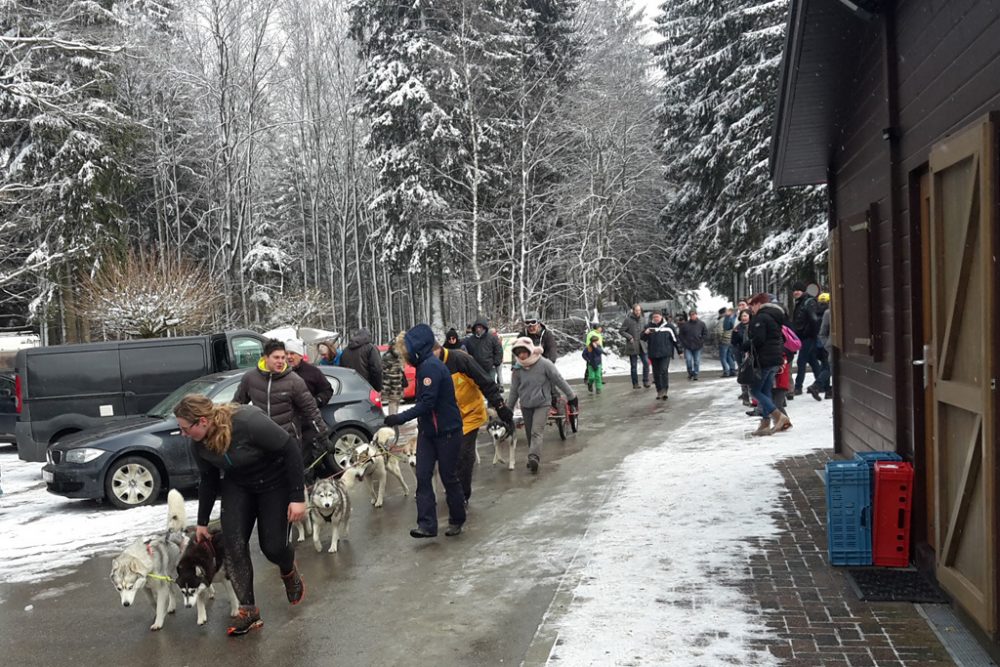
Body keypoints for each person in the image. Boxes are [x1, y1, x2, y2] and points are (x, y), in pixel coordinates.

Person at [174, 395, 306, 636]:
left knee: (273, 547)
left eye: (184, 428)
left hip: (274, 483)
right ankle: (249, 611)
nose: (182, 433)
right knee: (233, 546)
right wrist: (202, 522)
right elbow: (209, 480)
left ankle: (288, 569)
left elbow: (290, 449)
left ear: (202, 421)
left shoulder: (247, 422)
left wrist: (297, 497)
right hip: (239, 486)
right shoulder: (198, 444)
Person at [383, 324, 466, 538]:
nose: (405, 356)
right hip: (428, 433)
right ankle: (427, 525)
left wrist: (398, 418)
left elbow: (427, 403)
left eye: (406, 351)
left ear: (416, 348)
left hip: (448, 432)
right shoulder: (423, 366)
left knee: (448, 477)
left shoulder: (431, 368)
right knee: (422, 476)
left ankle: (457, 519)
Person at [433, 342, 513, 506]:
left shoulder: (460, 359)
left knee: (464, 452)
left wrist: (499, 405)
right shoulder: (428, 367)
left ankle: (462, 495)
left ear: (438, 349)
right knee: (448, 457)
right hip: (448, 418)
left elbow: (485, 382)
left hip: (470, 414)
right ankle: (454, 489)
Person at [234, 339, 329, 442]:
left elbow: (311, 410)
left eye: (283, 358)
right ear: (265, 358)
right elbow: (236, 405)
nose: (280, 361)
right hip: (260, 438)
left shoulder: (294, 380)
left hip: (287, 439)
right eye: (276, 357)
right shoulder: (250, 378)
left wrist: (323, 436)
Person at [506, 337, 578, 473]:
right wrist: (508, 410)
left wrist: (571, 396)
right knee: (529, 433)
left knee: (536, 432)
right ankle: (533, 454)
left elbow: (558, 379)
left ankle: (534, 457)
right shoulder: (517, 369)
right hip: (526, 405)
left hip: (542, 404)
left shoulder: (544, 364)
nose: (521, 355)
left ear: (530, 350)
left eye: (524, 351)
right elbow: (514, 391)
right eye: (518, 352)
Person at [284, 339, 337, 476]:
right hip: (287, 426)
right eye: (287, 353)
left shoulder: (312, 372)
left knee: (305, 465)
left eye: (293, 353)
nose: (289, 357)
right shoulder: (280, 373)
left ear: (300, 355)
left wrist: (316, 401)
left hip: (308, 426)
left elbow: (327, 390)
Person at [744, 293, 791, 436]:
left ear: (759, 304)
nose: (750, 308)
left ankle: (778, 417)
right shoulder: (774, 317)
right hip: (774, 358)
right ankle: (765, 424)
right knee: (765, 391)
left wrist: (744, 345)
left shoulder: (761, 318)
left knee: (755, 390)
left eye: (752, 305)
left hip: (764, 359)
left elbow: (758, 339)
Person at [791, 281, 823, 396]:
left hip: (808, 337)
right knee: (813, 361)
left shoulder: (808, 302)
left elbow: (814, 320)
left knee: (801, 361)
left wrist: (810, 333)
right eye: (794, 290)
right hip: (803, 337)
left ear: (803, 291)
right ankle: (821, 384)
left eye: (798, 290)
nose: (796, 292)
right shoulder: (800, 302)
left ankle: (798, 387)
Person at [642, 311, 681, 400]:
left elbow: (675, 339)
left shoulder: (669, 327)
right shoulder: (648, 326)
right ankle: (659, 390)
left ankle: (665, 390)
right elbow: (642, 338)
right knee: (656, 373)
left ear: (661, 317)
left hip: (665, 353)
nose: (656, 318)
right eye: (654, 317)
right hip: (653, 353)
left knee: (663, 370)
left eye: (657, 317)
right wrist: (645, 333)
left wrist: (680, 351)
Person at [340, 328, 383, 392]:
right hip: (366, 387)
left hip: (348, 388)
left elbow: (342, 369)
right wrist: (377, 388)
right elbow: (377, 369)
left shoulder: (345, 350)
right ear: (368, 336)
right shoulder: (371, 348)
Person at [620, 304, 651, 389]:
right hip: (633, 345)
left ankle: (646, 381)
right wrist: (629, 337)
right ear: (633, 311)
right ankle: (635, 383)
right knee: (634, 366)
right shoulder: (628, 320)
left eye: (639, 310)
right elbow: (621, 331)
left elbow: (645, 330)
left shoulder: (643, 319)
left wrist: (647, 333)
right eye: (636, 310)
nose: (638, 312)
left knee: (646, 363)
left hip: (642, 345)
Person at [813, 292, 834, 399]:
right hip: (827, 346)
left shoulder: (816, 312)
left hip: (820, 345)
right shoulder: (828, 313)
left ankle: (827, 390)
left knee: (826, 367)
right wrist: (828, 344)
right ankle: (817, 386)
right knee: (828, 368)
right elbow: (822, 332)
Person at [381, 333, 408, 416]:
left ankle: (394, 419)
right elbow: (384, 373)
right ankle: (392, 420)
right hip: (392, 385)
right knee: (393, 402)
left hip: (397, 385)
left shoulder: (397, 356)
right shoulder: (389, 356)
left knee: (396, 402)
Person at [677, 310, 708, 380]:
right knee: (688, 360)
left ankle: (696, 373)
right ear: (689, 316)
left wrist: (702, 340)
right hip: (688, 346)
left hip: (698, 345)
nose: (693, 316)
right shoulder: (685, 325)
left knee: (696, 361)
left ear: (696, 315)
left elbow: (705, 333)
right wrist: (683, 342)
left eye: (694, 315)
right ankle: (690, 372)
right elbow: (681, 335)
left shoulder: (701, 324)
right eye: (691, 315)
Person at [731, 309, 753, 406]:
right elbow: (733, 342)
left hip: (753, 353)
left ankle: (754, 396)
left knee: (753, 375)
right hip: (741, 354)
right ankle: (745, 396)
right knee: (743, 374)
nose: (744, 318)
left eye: (746, 316)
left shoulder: (754, 326)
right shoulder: (737, 328)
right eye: (742, 316)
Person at [716, 307, 737, 378]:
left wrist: (720, 339)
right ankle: (732, 370)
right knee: (729, 356)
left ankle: (726, 371)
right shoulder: (732, 319)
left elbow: (719, 331)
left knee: (723, 357)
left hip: (724, 340)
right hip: (731, 340)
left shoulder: (722, 320)